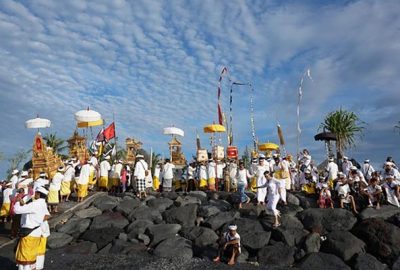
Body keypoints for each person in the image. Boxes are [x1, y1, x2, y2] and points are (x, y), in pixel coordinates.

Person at [14, 186, 50, 270]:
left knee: (25, 257)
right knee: (31, 256)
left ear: (38, 194)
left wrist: (17, 201)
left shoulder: (35, 204)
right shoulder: (43, 204)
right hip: (37, 232)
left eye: (36, 193)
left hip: (29, 232)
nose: (35, 194)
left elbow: (16, 210)